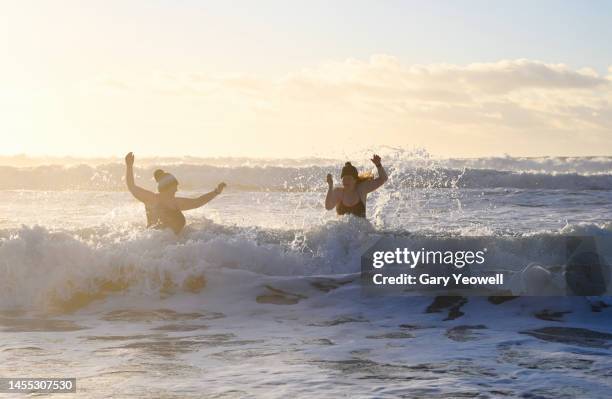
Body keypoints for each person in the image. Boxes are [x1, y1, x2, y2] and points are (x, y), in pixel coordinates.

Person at [124, 152, 226, 234]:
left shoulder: (166, 201)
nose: (177, 190)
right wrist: (129, 166)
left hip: (165, 248)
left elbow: (198, 202)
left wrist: (216, 192)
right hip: (161, 248)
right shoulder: (161, 201)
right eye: (175, 187)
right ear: (168, 187)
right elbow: (132, 187)